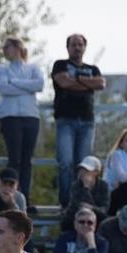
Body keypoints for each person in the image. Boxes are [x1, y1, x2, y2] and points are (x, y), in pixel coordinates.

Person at [51, 33, 105, 207]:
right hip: (65, 120)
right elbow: (64, 83)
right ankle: (66, 204)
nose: (77, 47)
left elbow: (101, 84)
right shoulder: (60, 65)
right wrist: (87, 83)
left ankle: (81, 202)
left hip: (87, 122)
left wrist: (77, 79)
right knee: (65, 163)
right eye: (73, 44)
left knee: (84, 166)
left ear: (85, 47)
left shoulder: (93, 68)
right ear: (68, 47)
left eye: (80, 44)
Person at [0, 36, 43, 201]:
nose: (5, 50)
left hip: (30, 116)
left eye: (7, 46)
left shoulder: (33, 68)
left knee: (26, 160)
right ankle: (11, 196)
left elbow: (39, 85)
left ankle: (25, 197)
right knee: (14, 159)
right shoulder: (2, 69)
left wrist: (14, 81)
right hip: (10, 117)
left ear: (17, 48)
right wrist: (27, 86)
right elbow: (4, 88)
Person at [61, 155, 110, 231]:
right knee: (68, 220)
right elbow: (77, 205)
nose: (83, 173)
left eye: (87, 170)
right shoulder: (76, 186)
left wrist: (92, 208)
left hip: (97, 217)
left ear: (96, 172)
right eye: (82, 170)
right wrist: (85, 188)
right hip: (79, 216)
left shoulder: (103, 186)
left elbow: (104, 209)